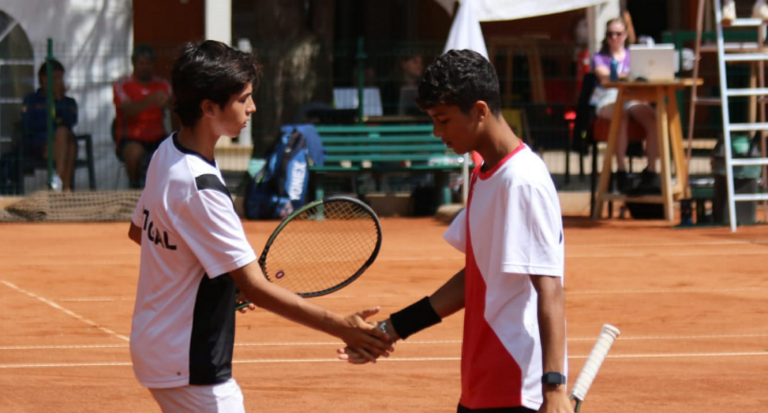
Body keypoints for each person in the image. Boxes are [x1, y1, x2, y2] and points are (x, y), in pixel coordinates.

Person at [127, 40, 393, 413]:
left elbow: (141, 232)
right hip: (188, 362)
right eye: (244, 98)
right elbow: (255, 286)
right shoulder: (202, 189)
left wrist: (220, 282)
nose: (252, 107)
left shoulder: (167, 153)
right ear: (208, 107)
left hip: (158, 346)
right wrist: (341, 325)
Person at [339, 49, 572, 413]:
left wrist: (554, 387)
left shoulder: (523, 182)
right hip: (481, 380)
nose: (437, 132)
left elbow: (550, 288)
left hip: (517, 384)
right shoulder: (483, 174)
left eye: (443, 120)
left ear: (480, 111)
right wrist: (393, 328)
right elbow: (476, 278)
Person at [591, 17, 659, 194]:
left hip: (633, 97)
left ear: (626, 35)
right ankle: (620, 170)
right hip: (608, 97)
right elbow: (605, 77)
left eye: (618, 33)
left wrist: (629, 76)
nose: (614, 37)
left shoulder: (634, 56)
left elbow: (645, 74)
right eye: (610, 34)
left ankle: (651, 170)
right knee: (620, 115)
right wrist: (630, 75)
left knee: (653, 118)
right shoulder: (599, 57)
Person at [113, 44, 172, 189]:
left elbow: (172, 106)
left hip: (159, 136)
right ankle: (134, 188)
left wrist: (167, 103)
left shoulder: (163, 84)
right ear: (134, 63)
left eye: (149, 63)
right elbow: (127, 109)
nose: (145, 67)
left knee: (173, 154)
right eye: (141, 63)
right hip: (132, 137)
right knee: (133, 154)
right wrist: (150, 101)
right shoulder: (122, 84)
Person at [20, 60, 79, 192]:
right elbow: (29, 123)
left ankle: (58, 184)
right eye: (55, 78)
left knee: (68, 139)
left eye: (60, 78)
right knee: (66, 139)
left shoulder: (68, 101)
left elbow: (71, 121)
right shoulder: (32, 100)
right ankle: (64, 188)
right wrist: (53, 123)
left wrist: (59, 100)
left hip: (61, 144)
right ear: (44, 78)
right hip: (40, 145)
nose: (58, 82)